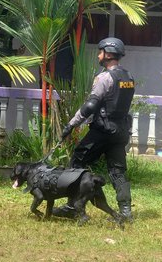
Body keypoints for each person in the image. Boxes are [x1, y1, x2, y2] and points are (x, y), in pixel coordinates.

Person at [54, 37, 135, 222]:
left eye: (100, 52)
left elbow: (90, 106)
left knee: (77, 162)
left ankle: (72, 207)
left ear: (107, 54)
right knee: (118, 171)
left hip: (102, 131)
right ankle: (125, 213)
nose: (98, 55)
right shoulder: (128, 77)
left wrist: (71, 125)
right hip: (120, 131)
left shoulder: (104, 78)